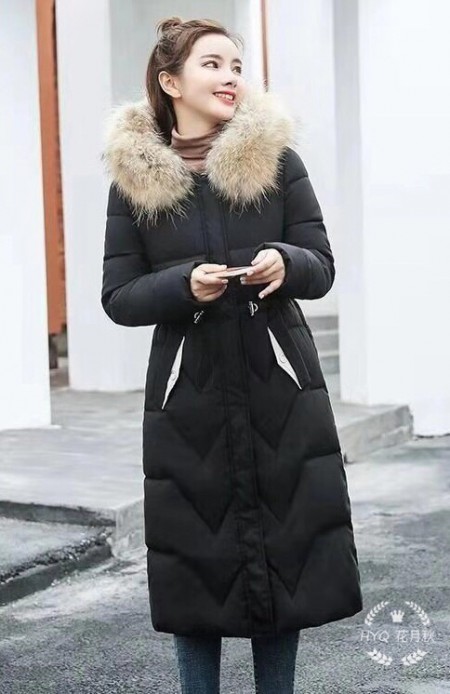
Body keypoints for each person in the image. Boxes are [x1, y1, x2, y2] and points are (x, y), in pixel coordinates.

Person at [101, 15, 363, 694]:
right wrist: (182, 285)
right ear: (170, 82)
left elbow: (322, 265)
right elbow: (119, 297)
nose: (230, 77)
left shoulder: (278, 162)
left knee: (286, 559)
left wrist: (286, 261)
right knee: (195, 569)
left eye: (237, 66)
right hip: (187, 393)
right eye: (213, 64)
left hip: (278, 383)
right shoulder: (134, 183)